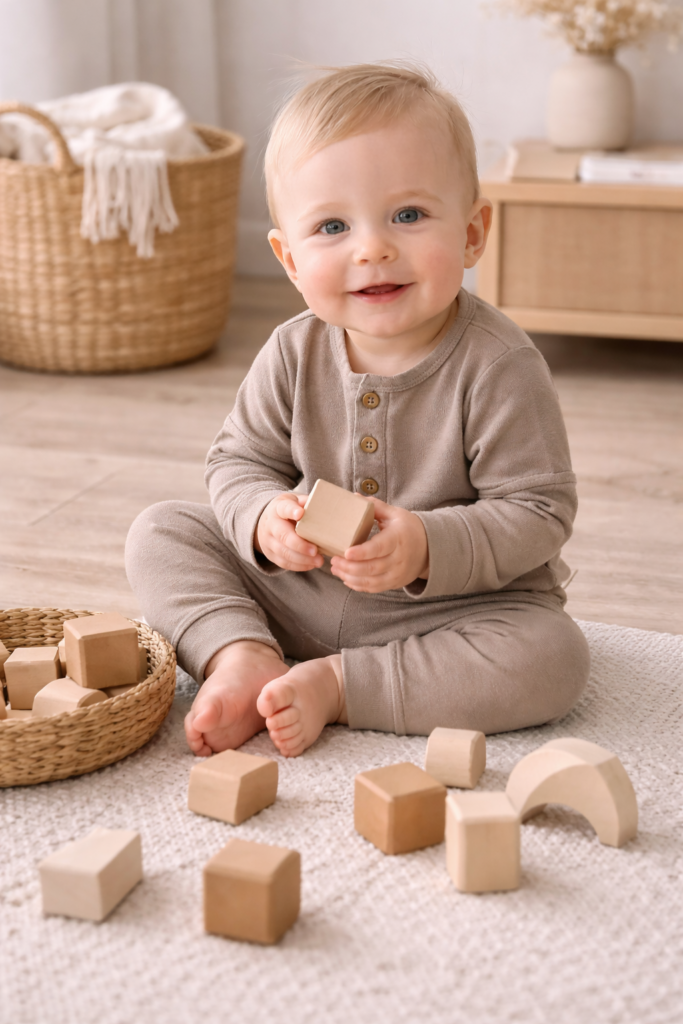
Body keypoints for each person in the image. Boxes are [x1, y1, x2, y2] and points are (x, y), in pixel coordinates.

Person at [125, 62, 590, 760]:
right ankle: (242, 653)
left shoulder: (498, 364)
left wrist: (426, 545)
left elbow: (538, 513)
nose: (371, 247)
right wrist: (262, 519)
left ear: (470, 233)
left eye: (408, 215)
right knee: (161, 531)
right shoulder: (291, 351)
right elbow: (238, 461)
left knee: (554, 657)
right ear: (287, 258)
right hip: (298, 592)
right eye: (332, 226)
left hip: (450, 612)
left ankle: (342, 686)